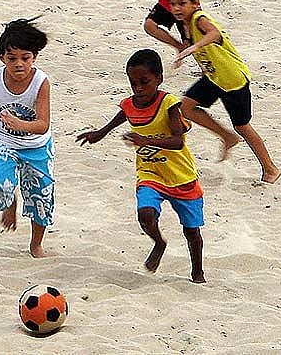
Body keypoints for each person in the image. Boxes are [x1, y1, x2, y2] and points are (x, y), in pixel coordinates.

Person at [76, 49, 206, 283]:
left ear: (159, 79)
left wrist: (146, 140)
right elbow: (124, 115)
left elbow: (177, 141)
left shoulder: (169, 104)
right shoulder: (130, 104)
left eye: (144, 82)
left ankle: (197, 272)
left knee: (191, 232)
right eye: (133, 82)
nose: (138, 87)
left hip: (181, 175)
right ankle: (159, 242)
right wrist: (100, 133)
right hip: (150, 173)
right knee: (145, 215)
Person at [167, 0, 281, 184]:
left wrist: (195, 47)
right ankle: (226, 137)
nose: (176, 8)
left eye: (182, 3)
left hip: (232, 80)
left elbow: (214, 33)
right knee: (187, 107)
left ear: (195, 3)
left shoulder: (199, 19)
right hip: (214, 78)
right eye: (173, 3)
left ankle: (270, 168)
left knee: (243, 126)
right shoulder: (183, 24)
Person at [0, 17, 54, 258]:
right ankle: (9, 203)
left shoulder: (41, 82)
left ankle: (36, 244)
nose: (19, 64)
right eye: (12, 59)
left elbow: (42, 125)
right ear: (2, 58)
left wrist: (19, 123)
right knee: (1, 185)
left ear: (34, 58)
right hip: (2, 141)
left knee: (42, 196)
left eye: (25, 58)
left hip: (36, 146)